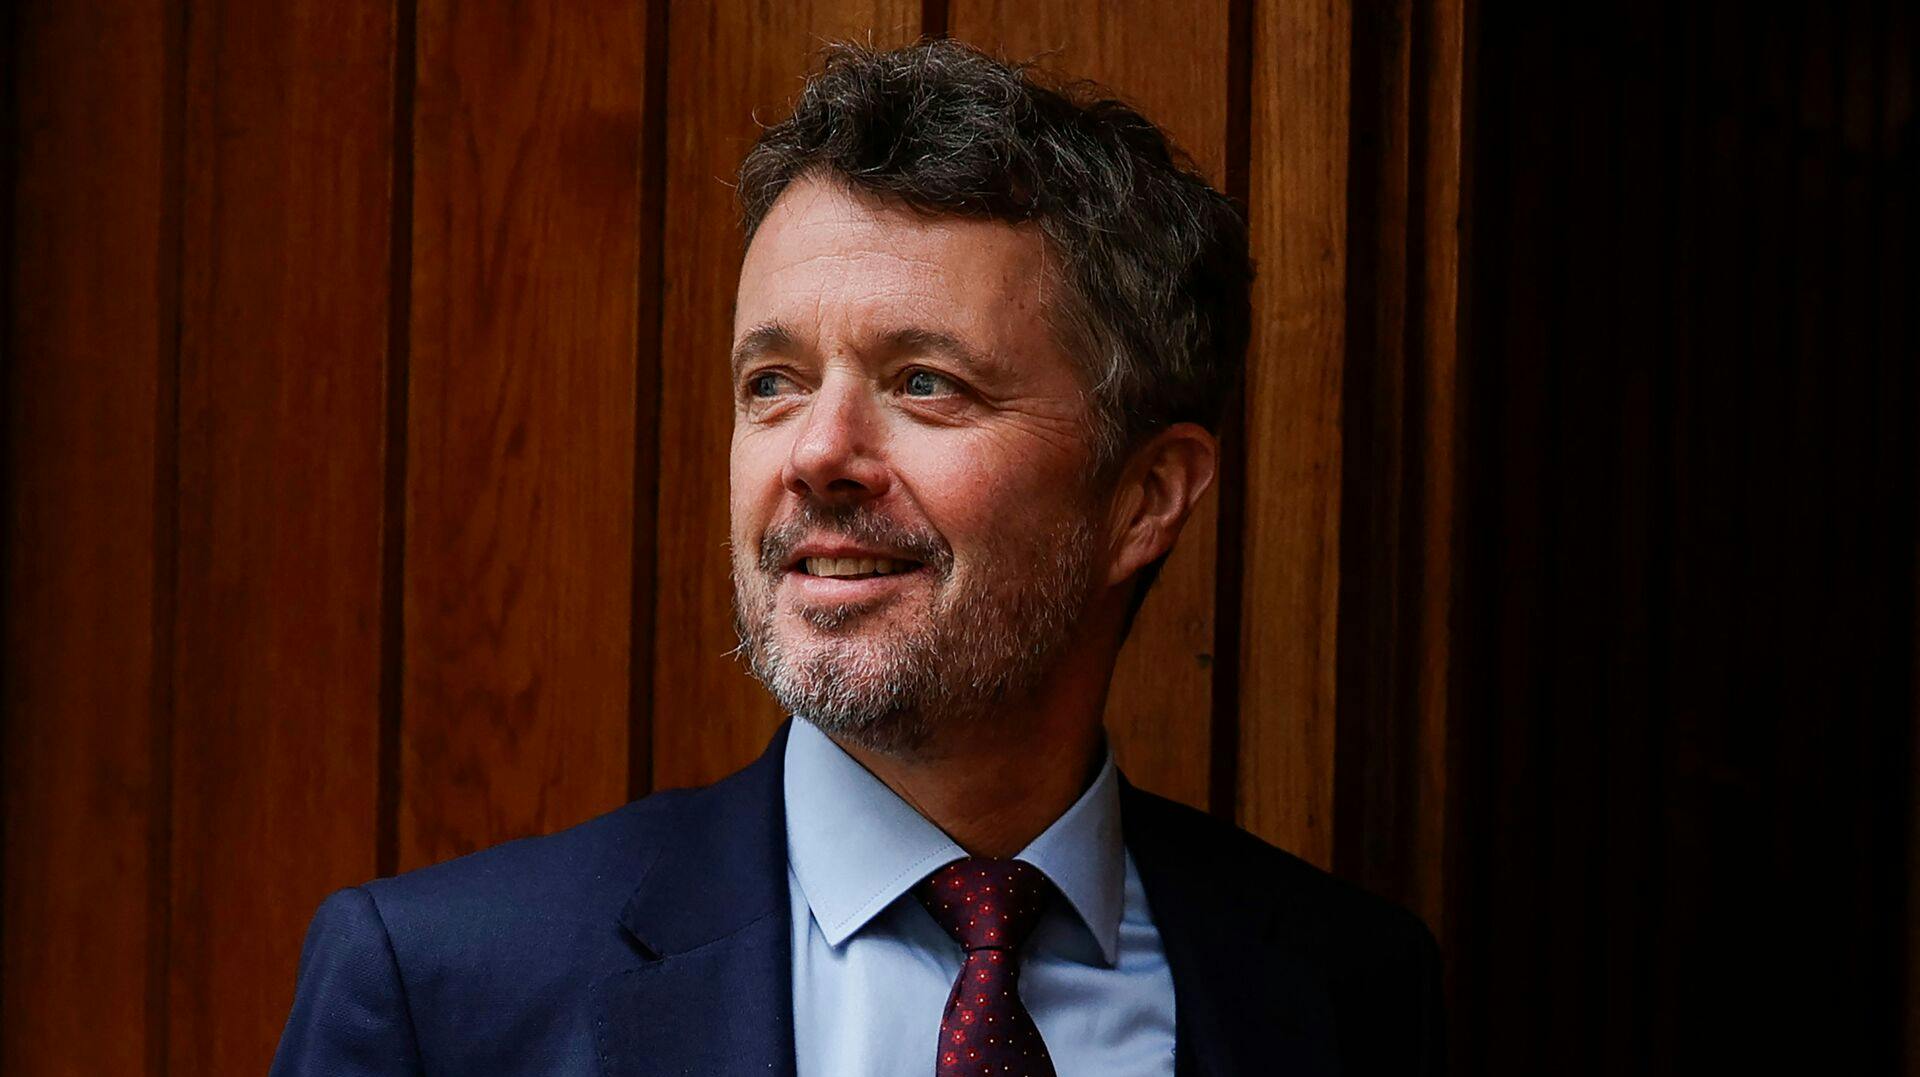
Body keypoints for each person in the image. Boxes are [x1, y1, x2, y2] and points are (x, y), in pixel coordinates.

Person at [271, 38, 1441, 1077]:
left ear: (1146, 496)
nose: (818, 453)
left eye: (925, 382)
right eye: (771, 384)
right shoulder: (443, 997)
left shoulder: (1348, 994)